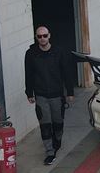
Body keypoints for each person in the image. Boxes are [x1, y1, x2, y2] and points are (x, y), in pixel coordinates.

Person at [24, 26, 76, 165]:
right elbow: (28, 74)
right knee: (45, 124)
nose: (42, 39)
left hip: (57, 94)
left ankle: (57, 141)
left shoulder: (59, 52)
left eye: (44, 36)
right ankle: (49, 152)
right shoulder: (31, 54)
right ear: (36, 37)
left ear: (49, 36)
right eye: (39, 36)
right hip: (41, 94)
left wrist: (70, 92)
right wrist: (29, 93)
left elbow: (66, 72)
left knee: (58, 122)